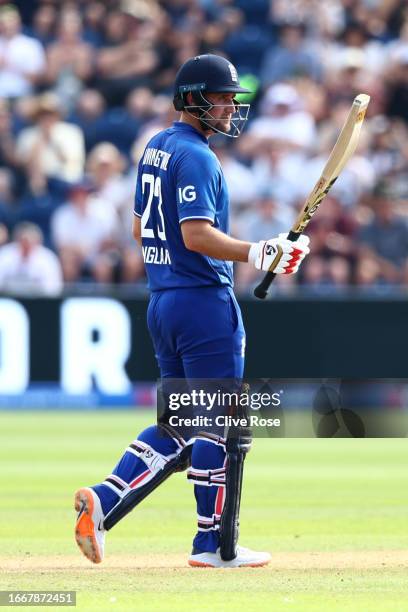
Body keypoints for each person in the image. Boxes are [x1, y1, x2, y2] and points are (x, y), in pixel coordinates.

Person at [74, 54, 310, 568]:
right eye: (221, 97)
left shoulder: (155, 147)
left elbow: (140, 230)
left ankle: (104, 498)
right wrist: (257, 252)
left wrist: (261, 252)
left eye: (232, 98)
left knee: (179, 426)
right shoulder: (199, 157)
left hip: (163, 302)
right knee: (220, 425)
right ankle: (213, 544)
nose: (230, 106)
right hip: (203, 305)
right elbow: (195, 233)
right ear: (191, 100)